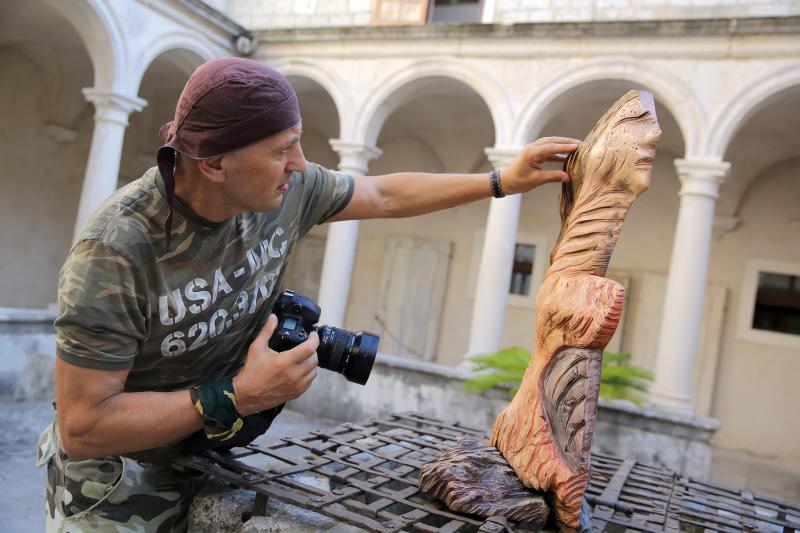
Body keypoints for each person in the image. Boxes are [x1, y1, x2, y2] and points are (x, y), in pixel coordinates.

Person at [36, 57, 580, 532]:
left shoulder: (285, 192)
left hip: (208, 454)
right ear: (215, 163)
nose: (299, 163)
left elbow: (382, 194)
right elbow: (85, 426)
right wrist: (237, 396)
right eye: (283, 150)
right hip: (119, 481)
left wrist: (502, 181)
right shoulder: (116, 252)